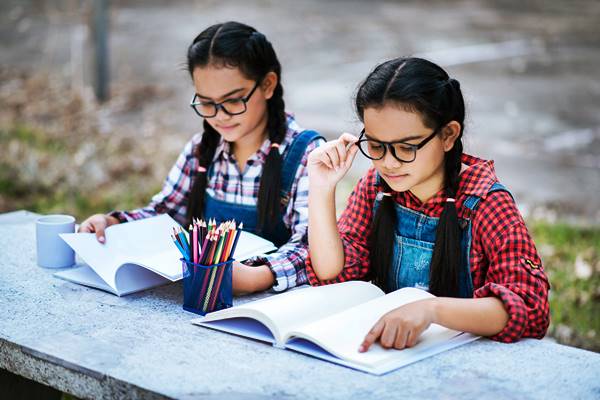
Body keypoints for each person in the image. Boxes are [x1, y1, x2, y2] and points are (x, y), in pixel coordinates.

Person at [305, 57, 549, 352]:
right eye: (376, 146)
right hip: (387, 356)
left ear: (448, 135)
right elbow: (331, 274)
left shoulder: (486, 203)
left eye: (406, 147)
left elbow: (528, 307)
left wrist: (429, 310)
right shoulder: (375, 188)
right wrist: (321, 188)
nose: (388, 162)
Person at [80, 21, 323, 294]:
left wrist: (257, 277)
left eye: (233, 100)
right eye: (206, 103)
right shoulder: (202, 150)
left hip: (271, 309)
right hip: (202, 302)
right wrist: (112, 224)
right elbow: (165, 215)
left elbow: (311, 245)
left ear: (267, 85)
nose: (219, 115)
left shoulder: (306, 155)